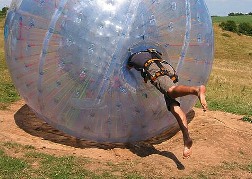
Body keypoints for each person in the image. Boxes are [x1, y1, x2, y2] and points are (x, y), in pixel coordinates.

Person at [127, 49, 207, 158]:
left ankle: (195, 90)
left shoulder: (132, 58)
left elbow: (127, 68)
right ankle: (186, 137)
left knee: (171, 90)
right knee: (175, 108)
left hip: (155, 69)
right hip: (168, 68)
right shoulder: (152, 51)